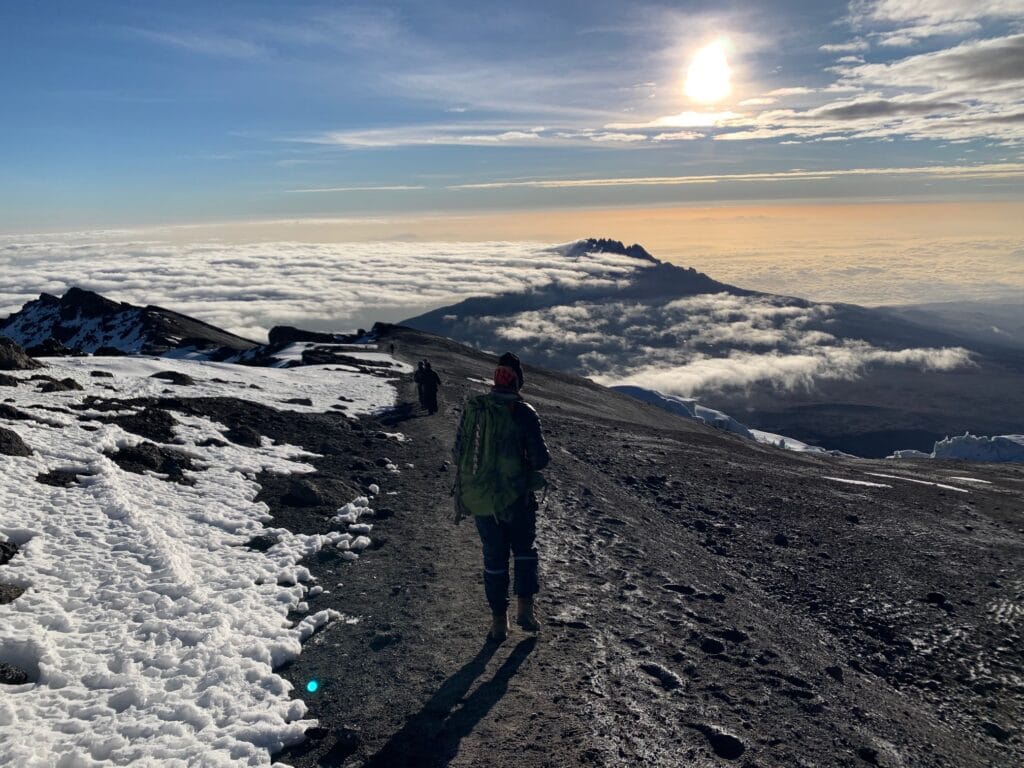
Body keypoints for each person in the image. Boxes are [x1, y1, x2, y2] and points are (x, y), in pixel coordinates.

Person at [453, 352, 550, 642]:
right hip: (516, 498)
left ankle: (498, 623)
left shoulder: (475, 410)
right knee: (523, 552)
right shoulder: (523, 412)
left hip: (482, 498)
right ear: (518, 381)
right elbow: (540, 460)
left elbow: (458, 453)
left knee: (493, 557)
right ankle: (526, 613)